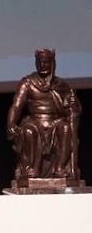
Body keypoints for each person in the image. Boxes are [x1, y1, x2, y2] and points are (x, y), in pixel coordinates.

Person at [7, 48, 82, 186]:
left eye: (46, 62)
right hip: (35, 121)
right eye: (40, 62)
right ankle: (33, 168)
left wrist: (72, 103)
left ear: (52, 63)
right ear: (36, 63)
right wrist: (11, 123)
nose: (43, 65)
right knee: (28, 130)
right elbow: (17, 106)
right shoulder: (28, 83)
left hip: (55, 121)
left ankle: (60, 168)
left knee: (65, 128)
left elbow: (72, 107)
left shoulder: (60, 85)